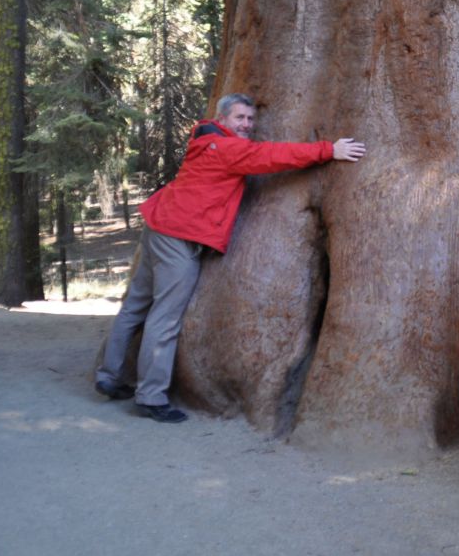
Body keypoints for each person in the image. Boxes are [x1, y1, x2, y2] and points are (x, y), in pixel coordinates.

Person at [95, 93, 366, 423]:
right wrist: (330, 150)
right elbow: (270, 156)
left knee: (135, 306)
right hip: (180, 237)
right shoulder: (225, 148)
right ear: (223, 118)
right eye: (240, 118)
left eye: (250, 119)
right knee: (164, 318)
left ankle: (109, 375)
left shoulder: (206, 136)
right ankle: (150, 397)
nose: (247, 125)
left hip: (160, 226)